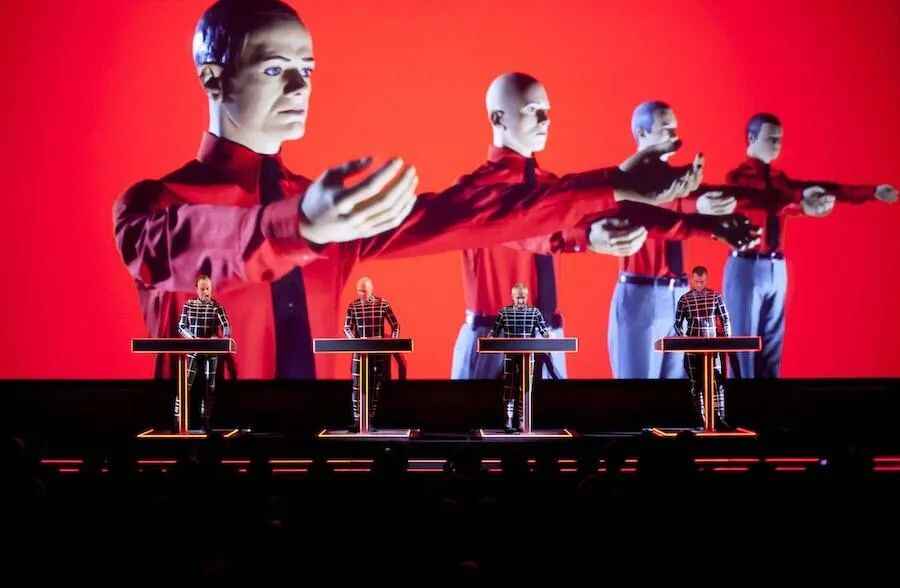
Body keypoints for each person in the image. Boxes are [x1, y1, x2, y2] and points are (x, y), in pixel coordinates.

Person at [114, 2, 694, 382]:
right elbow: (190, 248)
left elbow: (470, 217)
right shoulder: (158, 203)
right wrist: (300, 225)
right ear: (213, 77)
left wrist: (610, 184)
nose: (298, 87)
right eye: (273, 69)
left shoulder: (328, 209)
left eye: (306, 70)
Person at [453, 75, 760, 382]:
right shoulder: (479, 191)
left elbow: (621, 210)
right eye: (533, 110)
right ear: (498, 118)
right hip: (497, 338)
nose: (546, 119)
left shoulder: (550, 185)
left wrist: (707, 225)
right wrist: (586, 235)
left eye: (547, 110)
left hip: (548, 335)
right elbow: (527, 231)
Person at [723, 112, 898, 378]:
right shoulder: (739, 177)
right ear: (751, 138)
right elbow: (768, 197)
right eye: (771, 139)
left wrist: (871, 192)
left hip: (776, 268)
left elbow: (821, 189)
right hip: (746, 266)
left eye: (780, 139)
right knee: (743, 351)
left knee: (772, 349)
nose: (777, 144)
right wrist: (800, 199)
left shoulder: (780, 179)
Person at [489, 283, 550, 433]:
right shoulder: (504, 313)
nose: (521, 301)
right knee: (509, 387)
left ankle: (523, 420)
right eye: (518, 298)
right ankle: (508, 420)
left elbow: (545, 332)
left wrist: (549, 337)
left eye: (523, 298)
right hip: (510, 355)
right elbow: (494, 333)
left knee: (526, 388)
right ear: (513, 297)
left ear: (527, 297)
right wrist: (489, 338)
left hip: (528, 355)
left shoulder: (534, 312)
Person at [674, 266, 730, 427]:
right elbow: (677, 323)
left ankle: (720, 419)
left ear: (706, 280)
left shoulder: (715, 296)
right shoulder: (685, 299)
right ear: (692, 280)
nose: (699, 285)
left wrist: (727, 340)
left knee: (717, 382)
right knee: (696, 385)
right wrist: (684, 339)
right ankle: (702, 420)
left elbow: (725, 319)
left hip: (713, 348)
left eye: (702, 281)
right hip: (693, 350)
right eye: (697, 281)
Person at [342, 277, 400, 431]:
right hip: (359, 353)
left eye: (364, 291)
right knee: (357, 386)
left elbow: (395, 325)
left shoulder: (383, 304)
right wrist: (354, 342)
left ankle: (370, 420)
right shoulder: (353, 306)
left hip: (377, 354)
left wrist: (392, 343)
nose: (362, 294)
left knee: (374, 387)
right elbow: (347, 327)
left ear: (371, 290)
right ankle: (357, 421)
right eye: (359, 291)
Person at [176, 274, 231, 430]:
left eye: (208, 288)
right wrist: (193, 339)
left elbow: (226, 325)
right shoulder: (189, 305)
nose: (205, 292)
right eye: (202, 289)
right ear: (197, 289)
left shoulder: (217, 307)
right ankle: (177, 417)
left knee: (209, 386)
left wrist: (223, 339)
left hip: (211, 352)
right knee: (185, 384)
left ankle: (206, 420)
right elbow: (181, 326)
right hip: (193, 350)